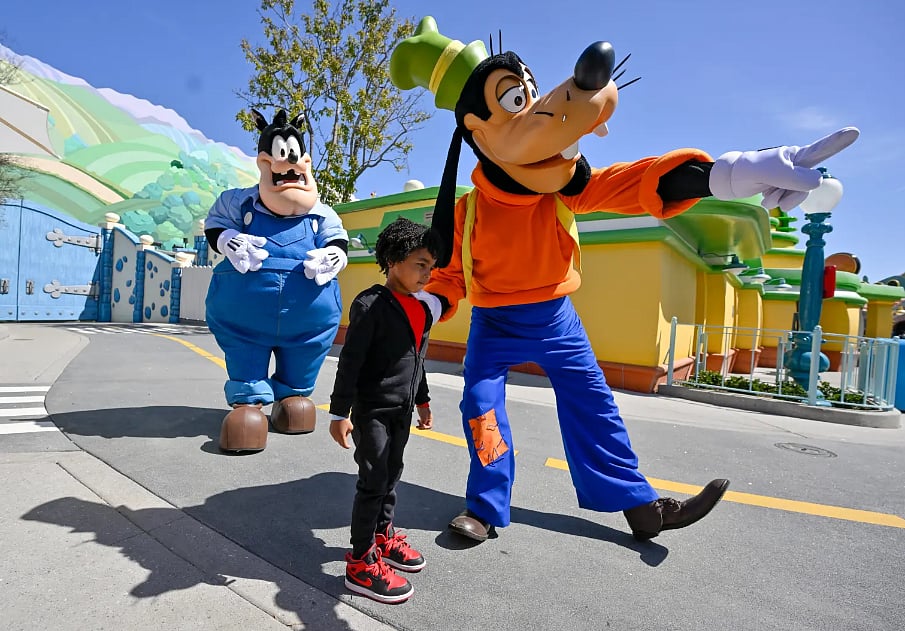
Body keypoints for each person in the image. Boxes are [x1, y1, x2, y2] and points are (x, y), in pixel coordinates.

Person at [388, 17, 859, 543]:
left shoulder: (560, 190)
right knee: (482, 411)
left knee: (594, 406)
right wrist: (426, 307)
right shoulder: (467, 211)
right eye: (512, 101)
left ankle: (642, 508)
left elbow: (633, 183)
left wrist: (734, 172)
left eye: (528, 91)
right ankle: (485, 505)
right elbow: (450, 273)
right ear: (477, 129)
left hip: (556, 321)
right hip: (494, 327)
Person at [204, 108, 349, 453]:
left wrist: (335, 255)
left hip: (306, 321)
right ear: (264, 161)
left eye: (296, 160)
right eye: (279, 160)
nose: (289, 168)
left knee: (301, 378)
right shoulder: (238, 202)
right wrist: (228, 240)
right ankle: (248, 404)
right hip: (246, 318)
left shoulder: (322, 213)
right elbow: (214, 224)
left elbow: (338, 239)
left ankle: (292, 395)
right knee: (246, 352)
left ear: (306, 162)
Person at [328, 217, 443, 604]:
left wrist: (423, 402)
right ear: (393, 261)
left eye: (430, 266)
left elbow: (418, 361)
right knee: (374, 480)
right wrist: (338, 412)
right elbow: (351, 361)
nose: (427, 274)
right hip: (372, 411)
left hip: (403, 410)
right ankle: (360, 563)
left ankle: (382, 537)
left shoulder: (422, 310)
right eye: (420, 264)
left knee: (392, 475)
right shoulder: (371, 304)